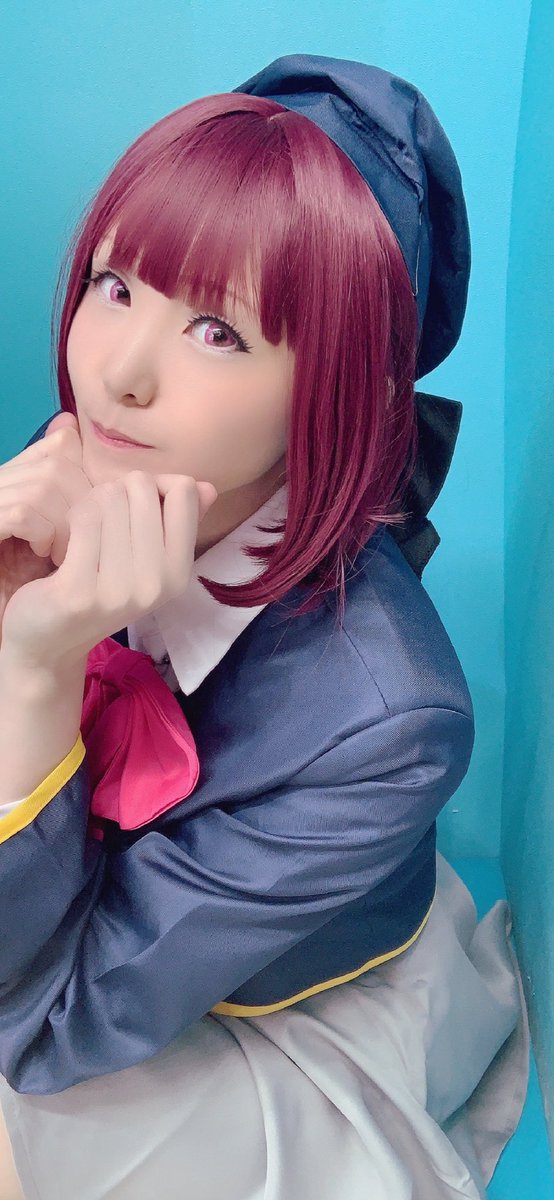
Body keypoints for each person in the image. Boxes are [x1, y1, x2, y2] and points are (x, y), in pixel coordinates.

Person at [0, 53, 530, 1200]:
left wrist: (33, 671)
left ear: (338, 386)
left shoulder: (388, 720)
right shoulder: (99, 461)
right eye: (115, 284)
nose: (118, 374)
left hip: (268, 1009)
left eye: (218, 332)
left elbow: (41, 1030)